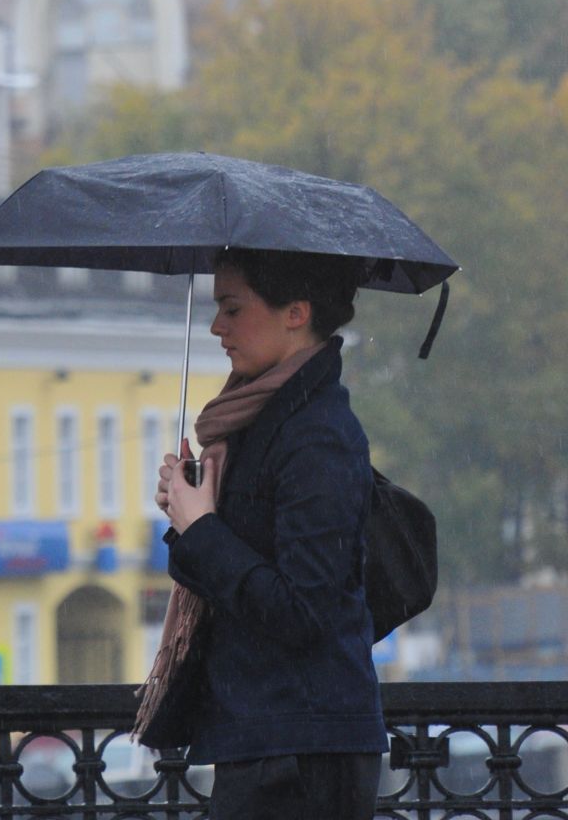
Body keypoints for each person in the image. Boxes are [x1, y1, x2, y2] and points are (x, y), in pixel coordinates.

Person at [133, 246, 386, 820]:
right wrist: (188, 520)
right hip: (272, 735)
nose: (218, 327)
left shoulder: (318, 435)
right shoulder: (257, 419)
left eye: (233, 308)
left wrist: (202, 528)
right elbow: (232, 579)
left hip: (303, 747)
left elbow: (302, 610)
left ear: (295, 312)